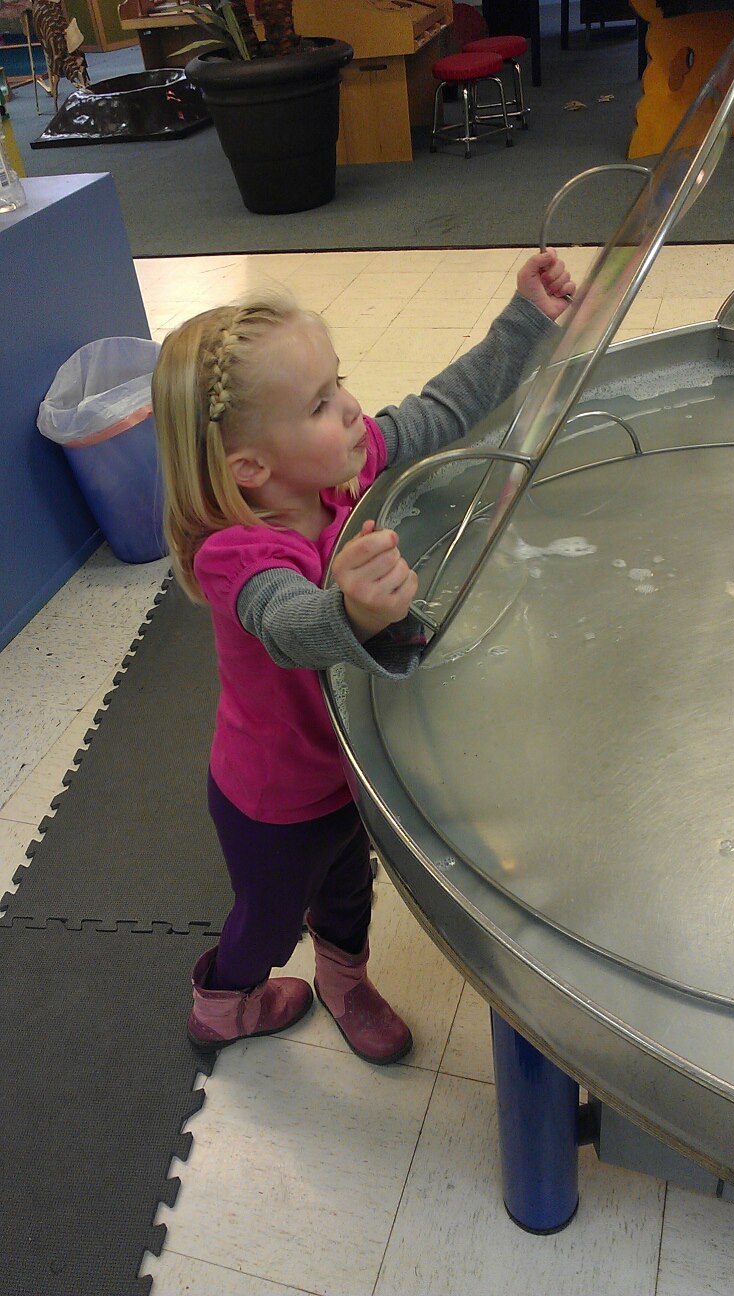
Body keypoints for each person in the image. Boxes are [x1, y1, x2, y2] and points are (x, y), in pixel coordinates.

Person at [151, 249, 574, 1066]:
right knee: (268, 917)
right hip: (271, 800)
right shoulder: (236, 556)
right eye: (319, 404)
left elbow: (438, 410)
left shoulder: (342, 476)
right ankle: (221, 1001)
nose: (351, 410)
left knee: (348, 889)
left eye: (338, 382)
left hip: (349, 768)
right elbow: (285, 622)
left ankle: (345, 979)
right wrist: (345, 610)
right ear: (251, 468)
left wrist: (523, 320)